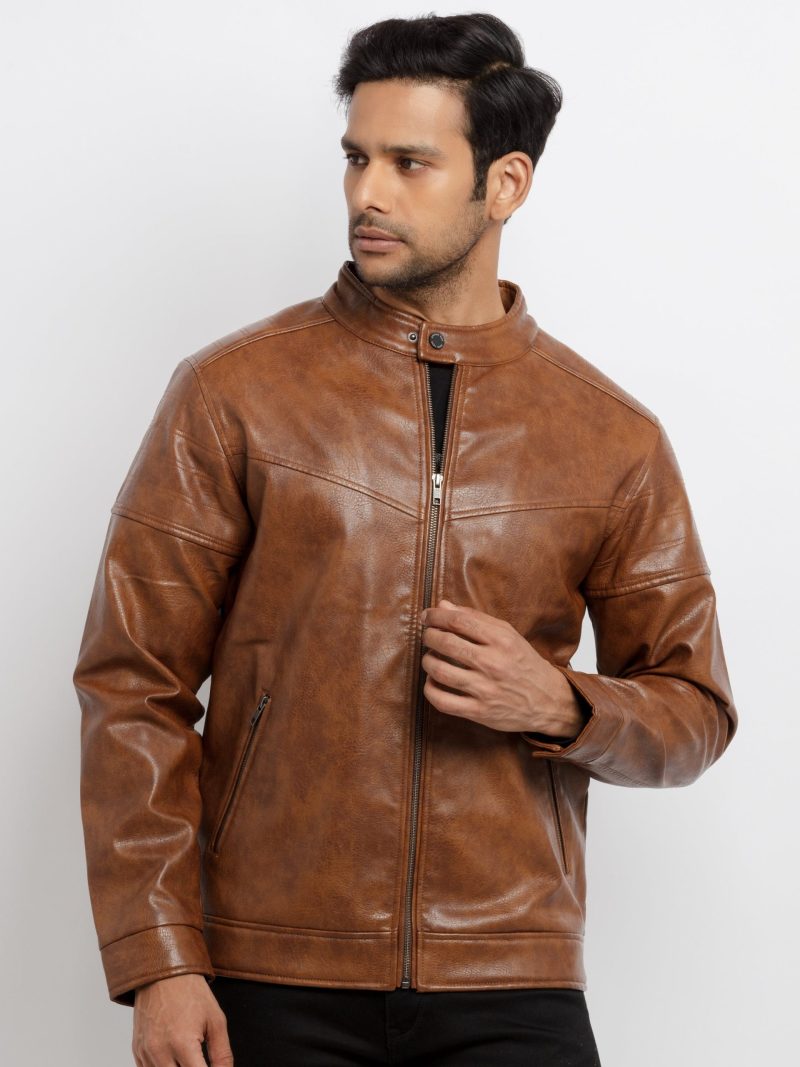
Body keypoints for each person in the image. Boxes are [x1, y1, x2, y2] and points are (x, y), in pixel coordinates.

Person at [73, 11, 738, 1067]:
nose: (365, 194)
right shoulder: (233, 394)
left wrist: (565, 703)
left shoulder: (612, 435)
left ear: (504, 183)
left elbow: (695, 707)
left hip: (510, 972)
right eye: (356, 157)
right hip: (271, 967)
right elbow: (132, 685)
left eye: (408, 163)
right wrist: (160, 957)